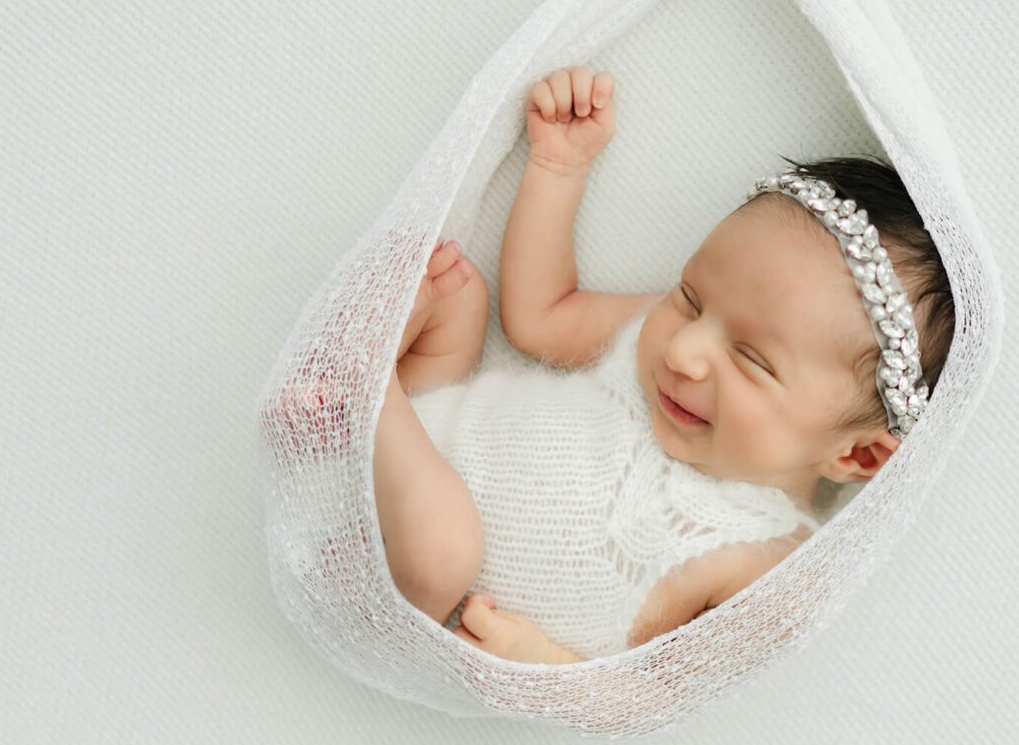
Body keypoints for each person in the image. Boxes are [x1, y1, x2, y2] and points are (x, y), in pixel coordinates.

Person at [369, 66, 955, 663]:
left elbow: (647, 697)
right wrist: (558, 169)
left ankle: (366, 390)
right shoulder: (664, 339)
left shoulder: (769, 566)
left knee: (443, 548)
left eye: (752, 360)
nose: (683, 350)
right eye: (690, 297)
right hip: (421, 430)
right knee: (455, 290)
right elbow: (539, 317)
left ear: (857, 455)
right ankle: (369, 404)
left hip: (421, 576)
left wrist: (547, 667)